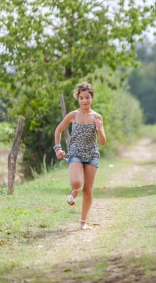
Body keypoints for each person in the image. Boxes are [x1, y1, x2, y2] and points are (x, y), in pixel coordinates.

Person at [54, 82, 106, 230]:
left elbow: (102, 142)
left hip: (91, 155)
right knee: (77, 183)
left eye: (87, 97)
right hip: (75, 153)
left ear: (92, 98)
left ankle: (83, 222)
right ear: (78, 98)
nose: (85, 101)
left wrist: (100, 128)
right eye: (82, 97)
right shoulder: (73, 115)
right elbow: (58, 130)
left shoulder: (97, 117)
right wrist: (58, 148)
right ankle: (74, 191)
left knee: (88, 190)